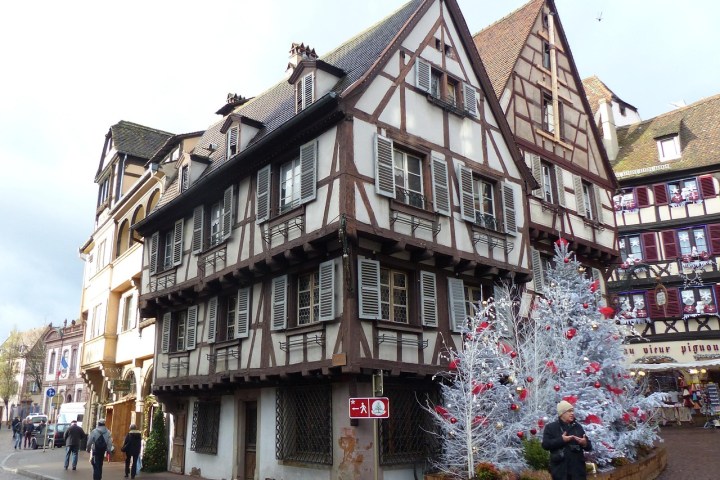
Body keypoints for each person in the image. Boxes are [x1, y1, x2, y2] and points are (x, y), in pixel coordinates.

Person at [542, 400, 592, 480]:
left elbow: (589, 446)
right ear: (562, 414)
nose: (572, 413)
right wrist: (561, 440)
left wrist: (584, 443)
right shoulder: (551, 427)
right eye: (569, 411)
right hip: (560, 472)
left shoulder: (578, 427)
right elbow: (545, 445)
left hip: (578, 472)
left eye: (572, 411)